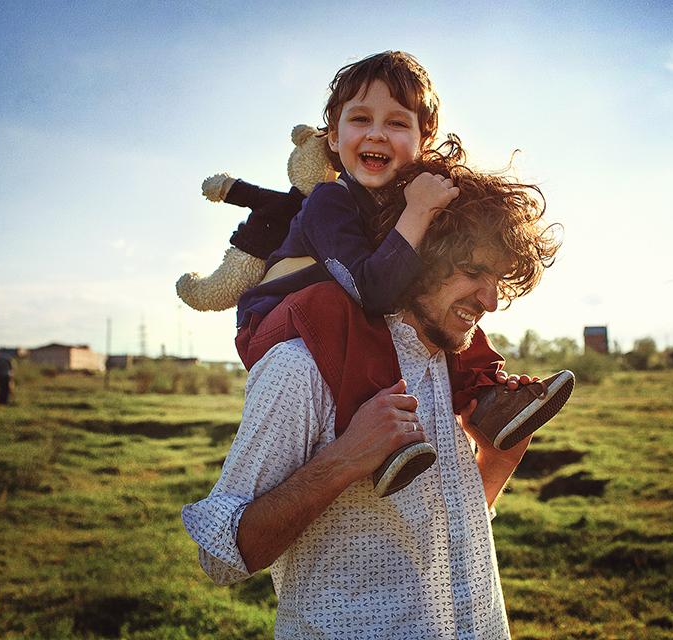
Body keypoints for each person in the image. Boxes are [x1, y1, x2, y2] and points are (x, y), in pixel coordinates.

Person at [182, 156, 562, 637]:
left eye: (499, 281)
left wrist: (497, 461)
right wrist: (344, 460)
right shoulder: (303, 365)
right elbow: (221, 558)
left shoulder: (456, 368)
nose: (489, 300)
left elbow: (438, 530)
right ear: (416, 250)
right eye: (471, 272)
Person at [234, 51, 552, 497]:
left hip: (342, 316)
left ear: (426, 138)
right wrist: (420, 209)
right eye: (360, 119)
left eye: (398, 123)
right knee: (336, 302)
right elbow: (372, 291)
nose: (377, 133)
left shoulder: (399, 203)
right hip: (276, 323)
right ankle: (384, 442)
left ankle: (489, 400)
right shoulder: (330, 202)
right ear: (332, 137)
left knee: (440, 300)